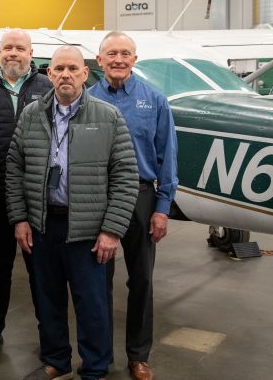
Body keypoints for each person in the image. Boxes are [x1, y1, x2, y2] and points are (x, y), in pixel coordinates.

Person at [6, 45, 138, 380]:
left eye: (72, 69)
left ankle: (94, 367)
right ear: (48, 74)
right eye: (58, 69)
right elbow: (14, 168)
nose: (65, 74)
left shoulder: (108, 117)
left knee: (92, 304)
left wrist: (111, 230)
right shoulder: (32, 114)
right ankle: (55, 360)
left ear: (84, 73)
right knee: (47, 299)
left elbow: (125, 175)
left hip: (89, 230)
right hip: (43, 224)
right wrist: (20, 218)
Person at [88, 31, 178, 380]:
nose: (119, 59)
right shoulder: (86, 98)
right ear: (100, 60)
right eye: (112, 53)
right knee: (97, 280)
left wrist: (163, 206)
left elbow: (167, 154)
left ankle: (138, 355)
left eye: (126, 53)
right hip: (98, 196)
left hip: (142, 197)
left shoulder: (154, 100)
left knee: (141, 280)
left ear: (134, 59)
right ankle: (99, 354)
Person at [0, 28, 51, 349]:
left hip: (37, 197)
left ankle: (49, 336)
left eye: (20, 48)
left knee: (41, 274)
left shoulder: (48, 88)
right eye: (7, 47)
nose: (13, 53)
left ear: (31, 52)